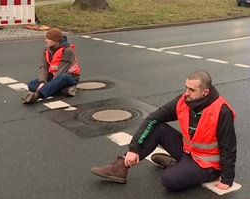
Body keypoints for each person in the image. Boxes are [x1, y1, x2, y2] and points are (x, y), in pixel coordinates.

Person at [91, 70, 237, 192]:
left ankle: (176, 166)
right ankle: (120, 167)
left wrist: (227, 179)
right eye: (186, 87)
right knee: (158, 128)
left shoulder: (221, 111)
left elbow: (228, 147)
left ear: (205, 92)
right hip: (188, 152)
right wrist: (134, 149)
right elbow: (153, 118)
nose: (186, 93)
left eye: (192, 90)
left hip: (206, 165)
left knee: (169, 180)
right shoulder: (183, 101)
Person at [22, 28, 81, 104]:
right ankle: (65, 90)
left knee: (62, 77)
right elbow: (44, 67)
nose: (46, 41)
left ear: (56, 41)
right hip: (53, 77)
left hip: (69, 77)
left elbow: (61, 71)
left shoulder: (67, 51)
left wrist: (44, 87)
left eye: (49, 39)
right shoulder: (47, 49)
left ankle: (37, 95)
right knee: (31, 84)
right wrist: (42, 82)